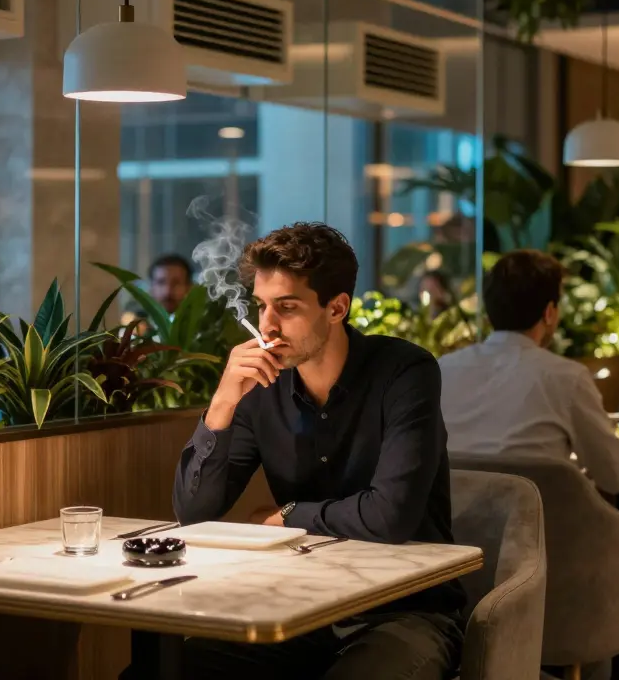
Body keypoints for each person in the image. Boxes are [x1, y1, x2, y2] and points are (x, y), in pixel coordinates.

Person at [169, 223, 463, 680]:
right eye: (262, 306)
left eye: (287, 307)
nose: (267, 325)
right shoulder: (260, 389)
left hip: (406, 612)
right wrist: (223, 403)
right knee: (171, 667)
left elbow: (390, 518)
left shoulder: (405, 372)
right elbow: (194, 512)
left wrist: (288, 515)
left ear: (337, 308)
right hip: (303, 609)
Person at [439, 250, 619, 494]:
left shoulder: (442, 370)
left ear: (488, 312)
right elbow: (615, 476)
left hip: (452, 516)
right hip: (541, 518)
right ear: (549, 312)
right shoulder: (566, 378)